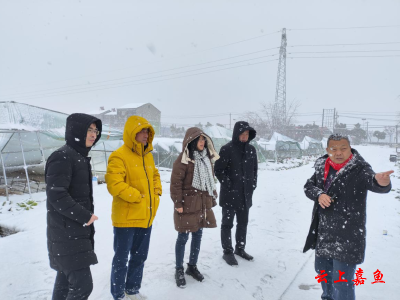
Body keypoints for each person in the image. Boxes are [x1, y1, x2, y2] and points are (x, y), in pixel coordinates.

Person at [303, 133, 393, 300]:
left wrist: (382, 182)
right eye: (334, 149)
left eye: (343, 148)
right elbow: (309, 186)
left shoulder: (359, 168)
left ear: (350, 148)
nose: (338, 153)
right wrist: (319, 194)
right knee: (323, 274)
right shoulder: (322, 165)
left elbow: (373, 182)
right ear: (327, 150)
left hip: (348, 234)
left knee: (342, 282)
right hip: (324, 232)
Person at [46, 113, 101, 300]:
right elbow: (57, 195)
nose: (93, 134)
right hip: (66, 234)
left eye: (95, 130)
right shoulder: (62, 156)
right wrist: (85, 216)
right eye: (89, 130)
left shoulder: (79, 157)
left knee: (64, 284)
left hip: (73, 233)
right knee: (83, 287)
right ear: (76, 131)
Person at [105, 116, 162, 300]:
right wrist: (138, 196)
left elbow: (155, 176)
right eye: (142, 131)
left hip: (146, 216)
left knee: (139, 258)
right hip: (126, 218)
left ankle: (132, 290)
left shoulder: (149, 156)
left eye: (148, 131)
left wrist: (156, 192)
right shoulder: (119, 155)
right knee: (121, 260)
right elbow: (114, 184)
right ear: (132, 133)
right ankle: (118, 294)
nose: (146, 135)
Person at [170, 127, 220, 288]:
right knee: (183, 237)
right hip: (186, 205)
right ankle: (179, 269)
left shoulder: (206, 159)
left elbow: (210, 180)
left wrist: (212, 194)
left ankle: (192, 266)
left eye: (204, 140)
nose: (202, 142)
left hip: (202, 205)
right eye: (199, 140)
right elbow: (175, 184)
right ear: (191, 142)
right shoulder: (183, 160)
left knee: (198, 235)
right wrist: (178, 203)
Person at [214, 121, 258, 266]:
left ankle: (240, 248)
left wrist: (252, 185)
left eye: (247, 134)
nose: (245, 137)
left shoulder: (251, 150)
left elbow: (254, 171)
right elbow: (218, 170)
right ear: (236, 134)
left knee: (243, 223)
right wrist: (228, 184)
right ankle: (227, 251)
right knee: (227, 224)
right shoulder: (227, 149)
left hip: (245, 195)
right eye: (242, 134)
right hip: (230, 195)